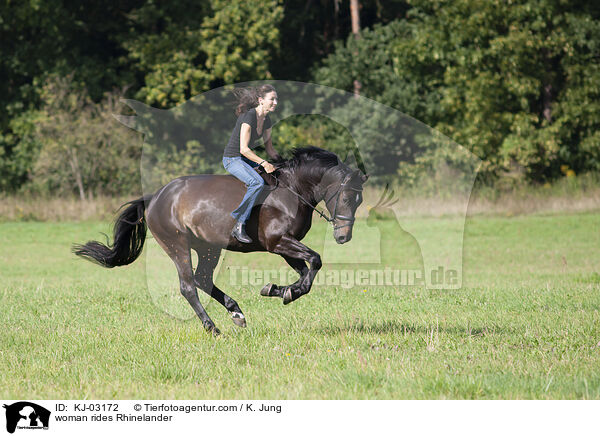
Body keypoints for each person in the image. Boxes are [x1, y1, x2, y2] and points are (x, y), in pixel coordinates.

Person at [222, 85, 281, 243]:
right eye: (272, 99)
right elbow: (243, 149)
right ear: (261, 101)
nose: (275, 102)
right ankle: (239, 224)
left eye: (276, 99)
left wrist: (283, 162)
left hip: (246, 158)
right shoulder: (249, 116)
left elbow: (270, 150)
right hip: (232, 159)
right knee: (256, 183)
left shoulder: (267, 119)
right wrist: (263, 163)